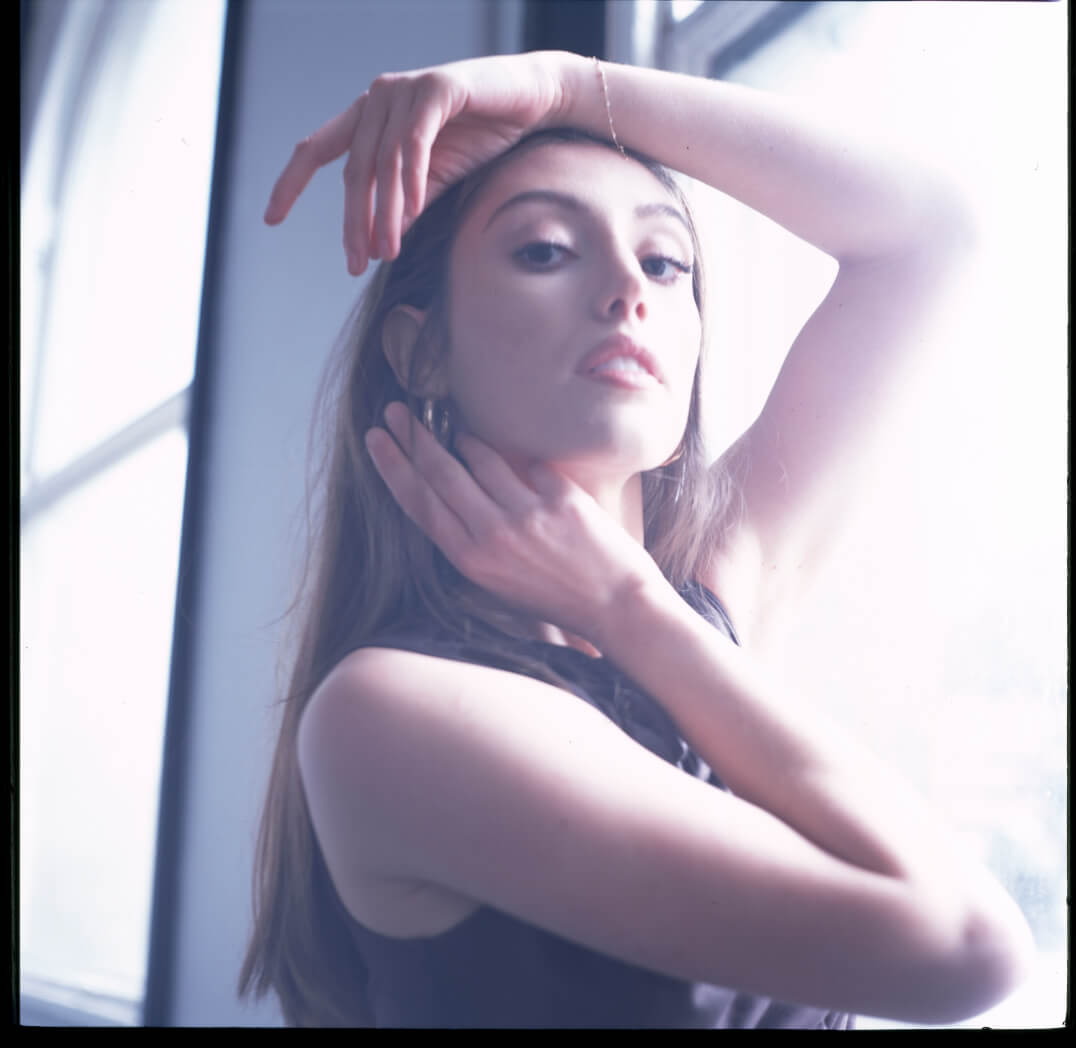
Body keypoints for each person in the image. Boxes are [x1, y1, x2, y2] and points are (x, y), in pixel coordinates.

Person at [237, 51, 1034, 1028]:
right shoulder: (385, 713)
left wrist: (573, 87)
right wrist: (628, 607)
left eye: (665, 261)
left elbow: (929, 234)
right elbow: (970, 950)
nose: (629, 289)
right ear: (422, 350)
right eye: (545, 250)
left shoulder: (711, 587)